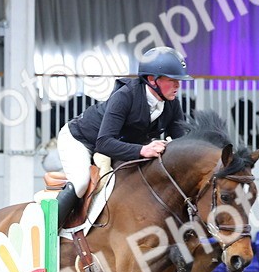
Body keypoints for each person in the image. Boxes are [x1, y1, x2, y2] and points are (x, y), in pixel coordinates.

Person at [54, 46, 192, 227]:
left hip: (116, 145)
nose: (177, 86)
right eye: (172, 80)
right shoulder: (125, 96)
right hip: (81, 140)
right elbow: (103, 143)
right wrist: (144, 149)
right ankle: (50, 229)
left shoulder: (171, 104)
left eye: (178, 81)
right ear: (152, 80)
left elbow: (181, 142)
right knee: (81, 183)